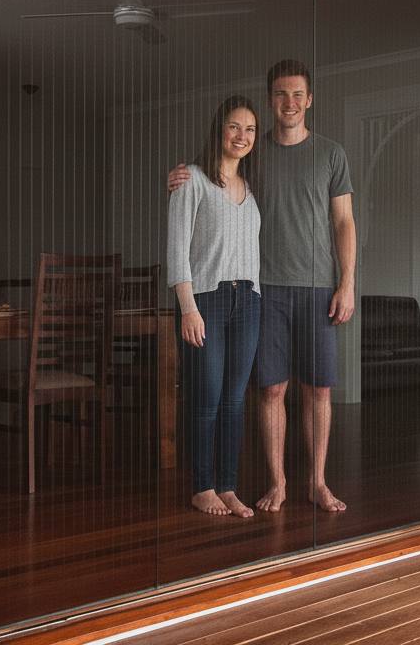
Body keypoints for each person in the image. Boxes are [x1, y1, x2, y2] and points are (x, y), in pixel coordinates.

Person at [169, 59, 356, 513]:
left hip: (312, 288)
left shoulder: (329, 154)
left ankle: (315, 482)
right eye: (279, 95)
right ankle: (276, 483)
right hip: (262, 291)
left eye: (297, 95)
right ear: (271, 100)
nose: (288, 103)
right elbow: (209, 183)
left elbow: (344, 221)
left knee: (317, 389)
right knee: (268, 390)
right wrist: (181, 175)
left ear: (309, 100)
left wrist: (347, 283)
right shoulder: (254, 155)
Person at [167, 95, 262, 518]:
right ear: (219, 129)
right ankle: (202, 486)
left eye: (250, 129)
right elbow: (177, 249)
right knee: (206, 397)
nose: (241, 136)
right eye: (234, 126)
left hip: (249, 301)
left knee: (235, 400)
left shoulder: (251, 189)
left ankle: (227, 486)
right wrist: (187, 306)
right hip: (206, 299)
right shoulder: (191, 180)